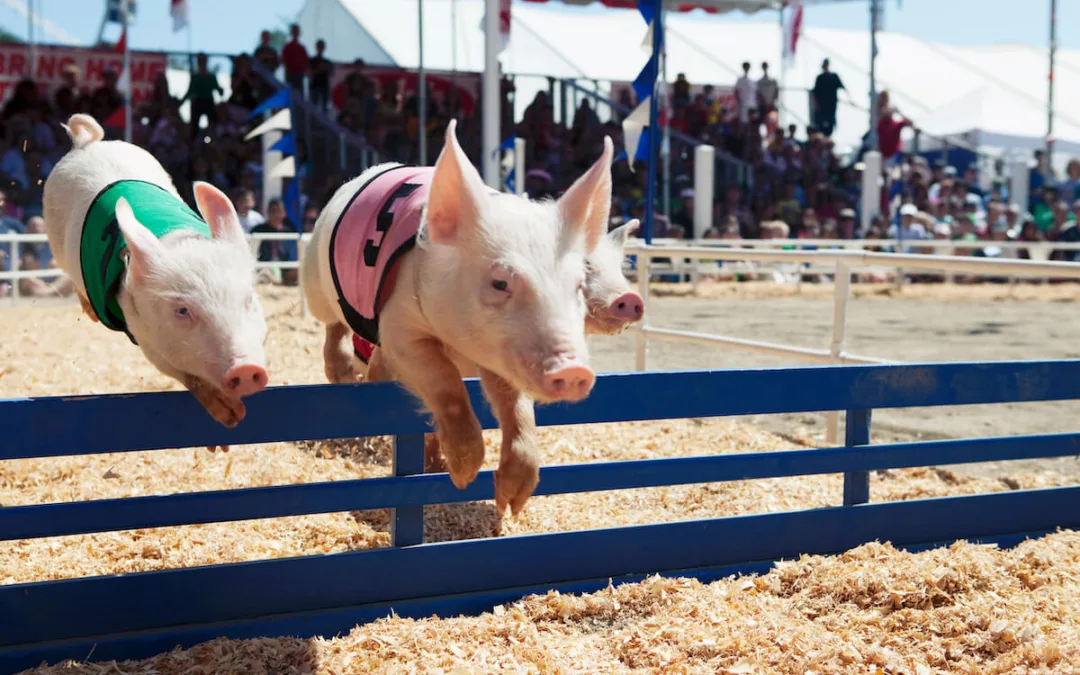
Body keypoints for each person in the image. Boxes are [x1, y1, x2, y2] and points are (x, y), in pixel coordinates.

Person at [251, 198, 298, 285]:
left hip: (285, 272)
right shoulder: (258, 231)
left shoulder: (290, 233)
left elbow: (292, 257)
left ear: (284, 213)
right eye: (273, 211)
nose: (276, 214)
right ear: (268, 212)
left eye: (279, 211)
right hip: (264, 270)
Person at [182, 53, 224, 143]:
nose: (202, 62)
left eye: (203, 60)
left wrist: (222, 90)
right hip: (197, 104)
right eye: (200, 60)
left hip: (209, 103)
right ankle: (193, 143)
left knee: (213, 125)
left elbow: (219, 91)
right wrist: (180, 103)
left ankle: (212, 143)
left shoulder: (211, 77)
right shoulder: (195, 77)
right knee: (194, 128)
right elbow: (189, 92)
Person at [811, 59, 844, 137]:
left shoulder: (834, 76)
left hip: (831, 108)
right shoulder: (820, 78)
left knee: (830, 127)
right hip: (822, 109)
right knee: (821, 127)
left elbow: (842, 87)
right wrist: (817, 105)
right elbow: (814, 93)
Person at [282, 24, 309, 94]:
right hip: (290, 75)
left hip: (300, 75)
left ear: (299, 33)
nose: (295, 33)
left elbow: (306, 62)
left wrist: (305, 71)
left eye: (297, 31)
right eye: (294, 31)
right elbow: (284, 60)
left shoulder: (302, 48)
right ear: (291, 33)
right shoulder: (287, 47)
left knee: (299, 95)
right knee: (290, 95)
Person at [309, 39, 332, 111]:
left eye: (321, 46)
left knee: (324, 108)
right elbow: (309, 72)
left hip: (324, 86)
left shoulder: (327, 62)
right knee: (313, 107)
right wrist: (319, 70)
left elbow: (331, 72)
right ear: (316, 47)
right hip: (314, 86)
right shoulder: (312, 61)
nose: (320, 48)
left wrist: (325, 69)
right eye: (319, 46)